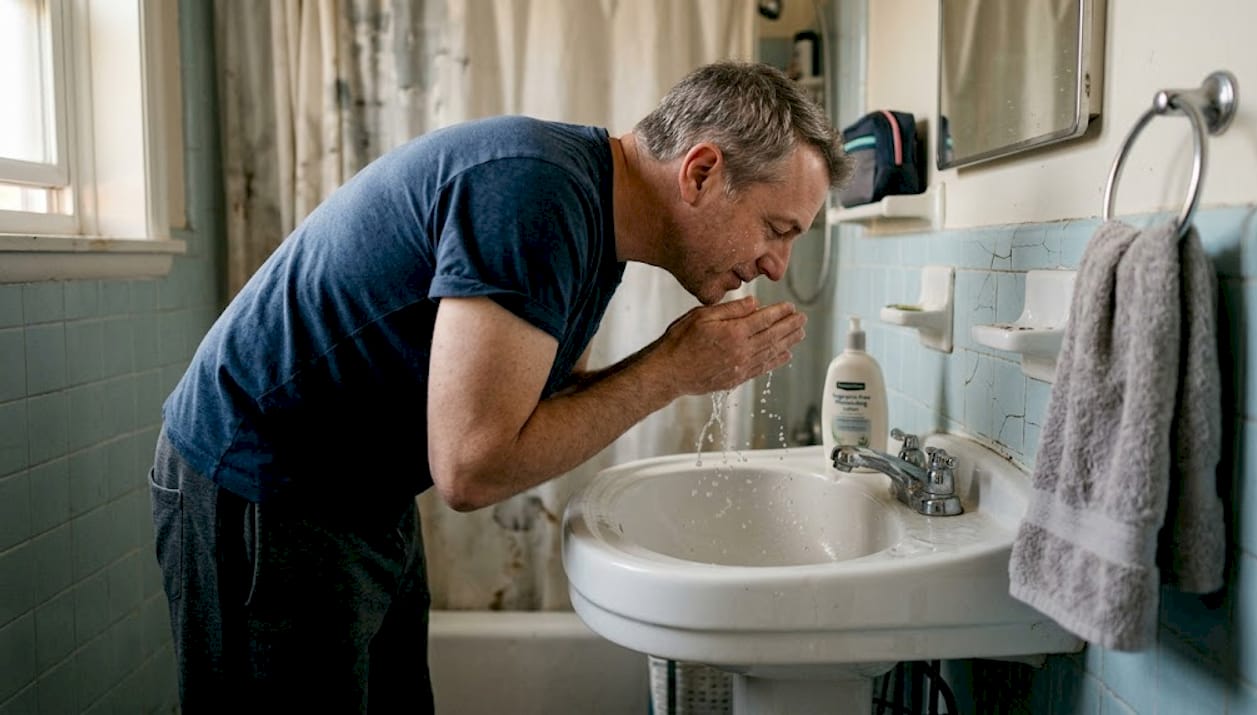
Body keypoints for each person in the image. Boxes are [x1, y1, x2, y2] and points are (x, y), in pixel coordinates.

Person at [149, 59, 852, 713]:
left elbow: (527, 408)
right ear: (700, 171)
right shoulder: (537, 195)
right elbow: (472, 468)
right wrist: (670, 370)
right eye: (775, 227)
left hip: (362, 495)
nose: (776, 264)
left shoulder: (587, 216)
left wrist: (677, 367)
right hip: (263, 483)